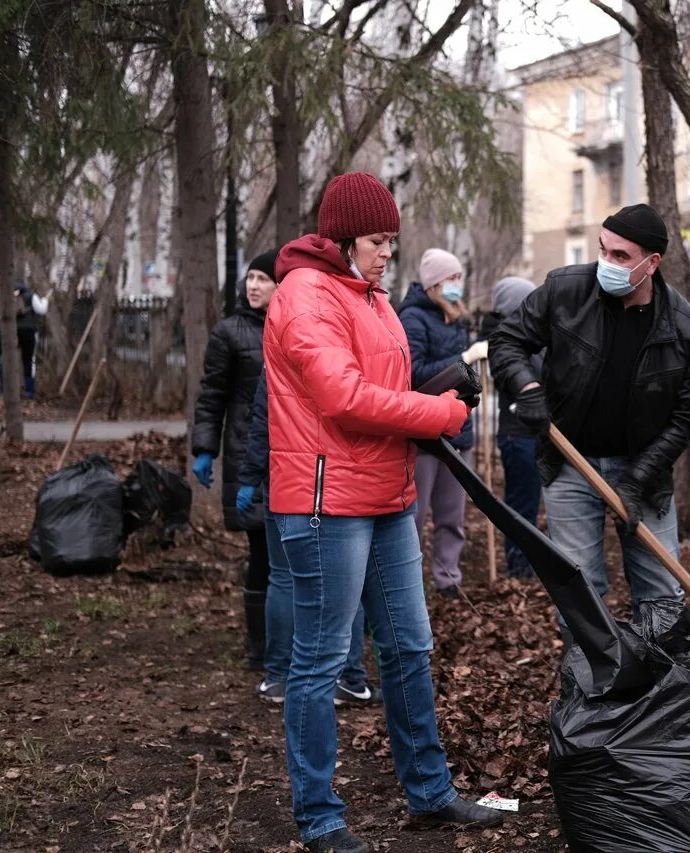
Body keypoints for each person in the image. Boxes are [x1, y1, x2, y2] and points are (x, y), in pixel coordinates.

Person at [265, 171, 504, 852]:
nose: (385, 255)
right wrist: (439, 411)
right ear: (340, 239)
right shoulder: (305, 296)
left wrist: (443, 386)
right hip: (324, 504)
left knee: (407, 646)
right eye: (376, 241)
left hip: (389, 498)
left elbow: (386, 386)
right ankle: (320, 818)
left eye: (392, 243)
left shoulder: (371, 299)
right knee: (318, 660)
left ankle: (429, 793)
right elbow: (343, 397)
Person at [488, 203, 690, 631]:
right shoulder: (565, 290)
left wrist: (637, 479)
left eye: (621, 257)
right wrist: (527, 387)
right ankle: (588, 691)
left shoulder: (686, 331)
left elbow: (685, 418)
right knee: (579, 595)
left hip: (645, 473)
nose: (606, 263)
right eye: (603, 251)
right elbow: (507, 340)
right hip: (570, 462)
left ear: (652, 263)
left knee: (663, 596)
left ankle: (660, 691)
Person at [238, 370, 378, 706]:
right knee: (348, 582)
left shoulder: (282, 344)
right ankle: (346, 677)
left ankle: (280, 678)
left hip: (288, 481)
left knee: (285, 578)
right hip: (341, 481)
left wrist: (250, 475)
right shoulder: (350, 344)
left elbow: (264, 419)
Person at [191, 251, 279, 671]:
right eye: (251, 277)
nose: (254, 285)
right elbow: (212, 395)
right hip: (247, 456)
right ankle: (259, 648)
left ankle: (285, 641)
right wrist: (205, 448)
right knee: (261, 549)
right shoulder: (229, 332)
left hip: (290, 457)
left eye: (264, 278)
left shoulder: (292, 327)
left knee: (284, 553)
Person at [399, 248, 485, 598]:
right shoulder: (413, 319)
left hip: (457, 433)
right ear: (434, 283)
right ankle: (406, 580)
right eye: (452, 278)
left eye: (459, 278)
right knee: (414, 518)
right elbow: (415, 374)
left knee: (452, 515)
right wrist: (462, 360)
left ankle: (448, 578)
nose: (457, 285)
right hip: (423, 433)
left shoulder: (457, 319)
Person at [479, 276, 542, 580]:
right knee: (522, 504)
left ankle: (529, 563)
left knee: (532, 502)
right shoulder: (505, 341)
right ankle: (519, 567)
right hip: (518, 433)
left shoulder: (532, 333)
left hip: (534, 433)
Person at [14, 283, 47, 399]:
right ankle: (29, 391)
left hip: (13, 331)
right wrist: (45, 300)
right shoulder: (31, 296)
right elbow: (42, 310)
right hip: (29, 331)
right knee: (29, 360)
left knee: (8, 359)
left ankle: (4, 390)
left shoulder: (11, 297)